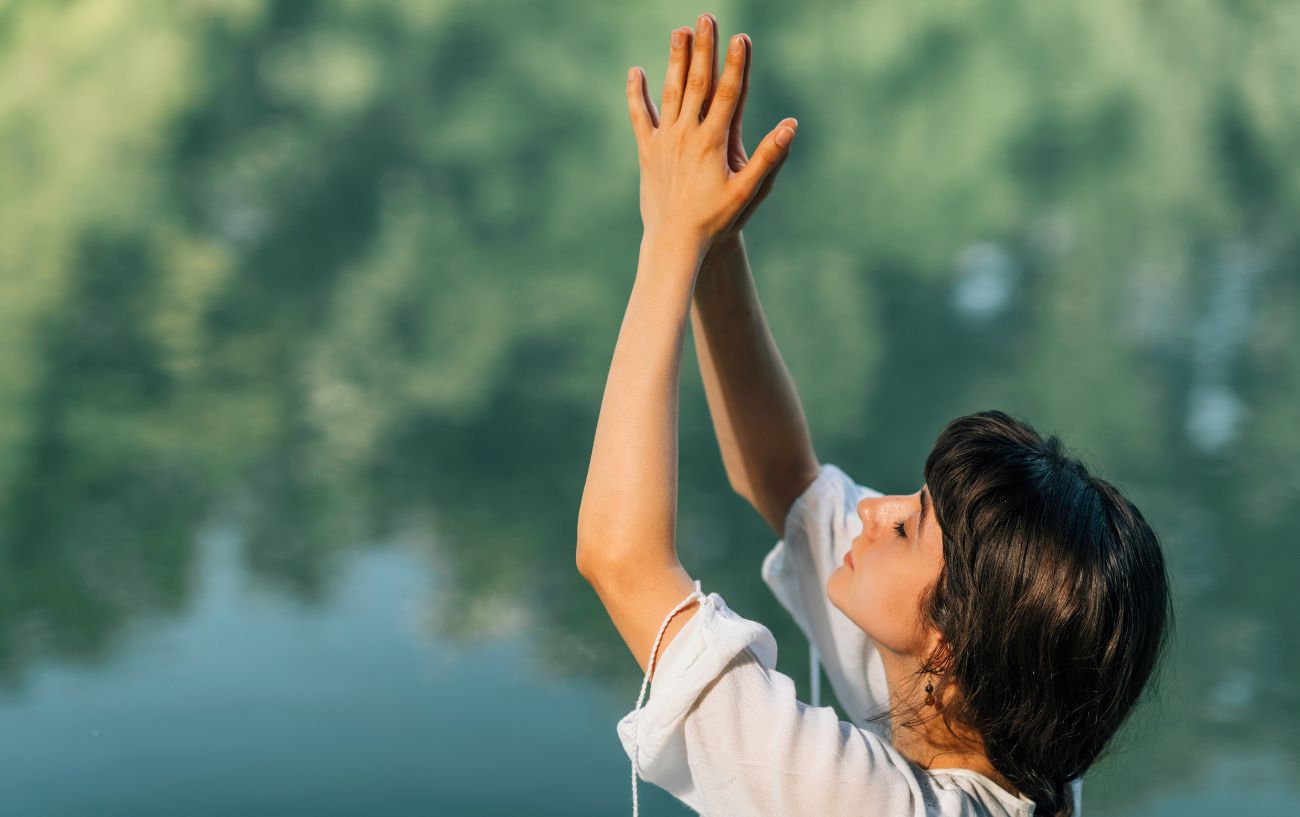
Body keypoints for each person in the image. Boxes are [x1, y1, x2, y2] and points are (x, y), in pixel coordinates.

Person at [575, 13, 1173, 817]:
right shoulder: (1015, 748)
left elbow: (621, 558)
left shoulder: (864, 804)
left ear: (951, 651)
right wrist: (717, 250)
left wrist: (669, 243)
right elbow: (784, 478)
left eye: (907, 528)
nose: (876, 508)